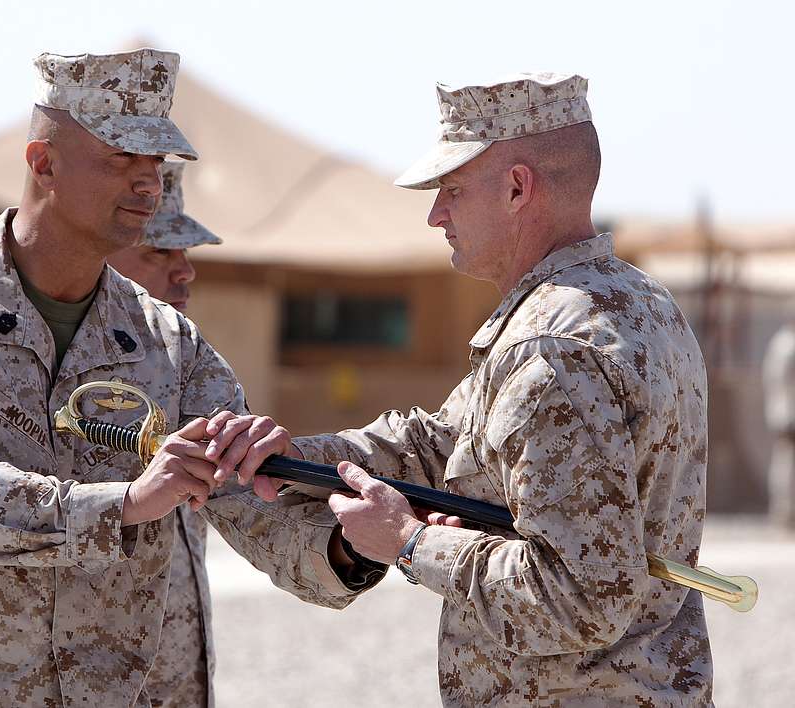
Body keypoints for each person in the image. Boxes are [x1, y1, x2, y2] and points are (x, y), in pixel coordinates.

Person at [0, 49, 372, 707]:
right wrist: (121, 505)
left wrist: (360, 542)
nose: (149, 184)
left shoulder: (169, 345)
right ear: (43, 164)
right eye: (122, 160)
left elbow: (253, 512)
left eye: (157, 164)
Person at [208, 73, 714, 704]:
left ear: (516, 188)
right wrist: (293, 461)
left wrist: (410, 541)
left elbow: (579, 597)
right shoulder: (638, 306)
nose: (434, 214)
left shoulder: (550, 350)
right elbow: (444, 447)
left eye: (451, 189)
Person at [107, 160, 221, 706]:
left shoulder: (186, 363)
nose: (185, 271)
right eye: (160, 252)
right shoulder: (43, 371)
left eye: (186, 253)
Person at [764, 323, 795, 529]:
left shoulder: (780, 343)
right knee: (787, 464)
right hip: (789, 414)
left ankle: (783, 511)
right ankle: (785, 512)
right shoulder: (788, 345)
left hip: (782, 412)